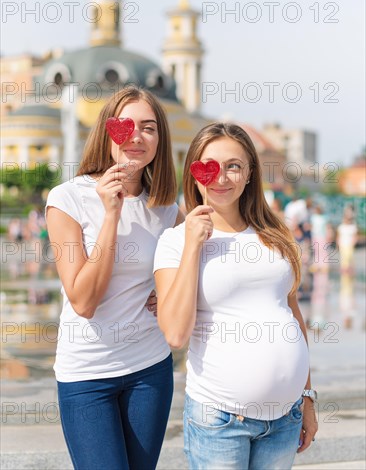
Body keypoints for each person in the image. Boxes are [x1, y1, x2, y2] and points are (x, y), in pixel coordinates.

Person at [154, 123, 318, 470]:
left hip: (285, 418)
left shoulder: (275, 234)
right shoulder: (175, 241)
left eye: (234, 165)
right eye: (209, 165)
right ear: (194, 173)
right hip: (222, 421)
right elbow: (175, 334)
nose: (222, 177)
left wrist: (307, 397)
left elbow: (291, 314)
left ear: (249, 174)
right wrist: (194, 246)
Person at [46, 85, 184, 470]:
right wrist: (111, 215)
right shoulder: (67, 199)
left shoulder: (168, 210)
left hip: (150, 371)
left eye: (149, 127)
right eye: (125, 125)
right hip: (87, 376)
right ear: (106, 133)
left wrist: (168, 291)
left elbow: (198, 271)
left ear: (160, 139)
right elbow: (83, 301)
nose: (136, 136)